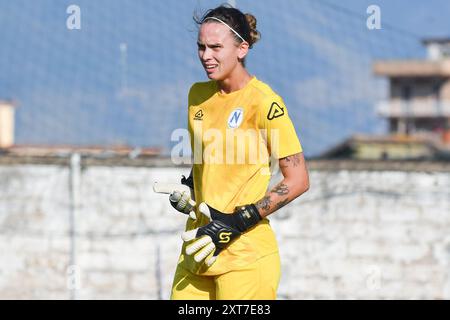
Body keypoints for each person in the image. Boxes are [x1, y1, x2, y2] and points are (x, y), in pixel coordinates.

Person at [169, 5, 309, 300]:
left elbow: (297, 180)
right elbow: (207, 166)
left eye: (216, 47)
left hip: (245, 256)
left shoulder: (265, 102)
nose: (206, 56)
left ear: (242, 48)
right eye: (201, 47)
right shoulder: (197, 96)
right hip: (198, 250)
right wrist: (189, 191)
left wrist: (237, 222)